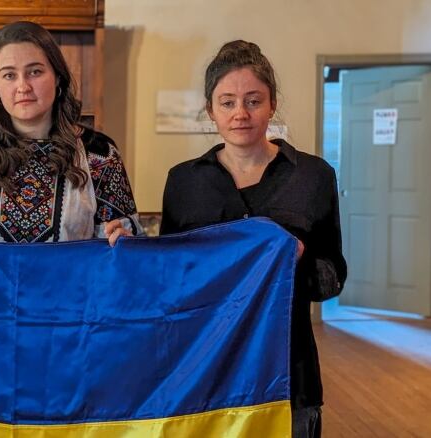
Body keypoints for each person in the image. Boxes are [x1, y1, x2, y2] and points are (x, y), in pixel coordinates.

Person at [160, 40, 346, 438]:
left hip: (288, 374)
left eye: (253, 100)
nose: (240, 114)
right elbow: (170, 279)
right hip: (205, 373)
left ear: (273, 104)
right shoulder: (183, 182)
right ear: (210, 109)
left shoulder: (314, 177)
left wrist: (298, 257)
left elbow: (334, 278)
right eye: (227, 102)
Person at [0, 21, 141, 245]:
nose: (23, 86)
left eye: (35, 72)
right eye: (9, 75)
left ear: (58, 78)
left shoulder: (99, 154)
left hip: (69, 281)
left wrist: (123, 241)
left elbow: (124, 245)